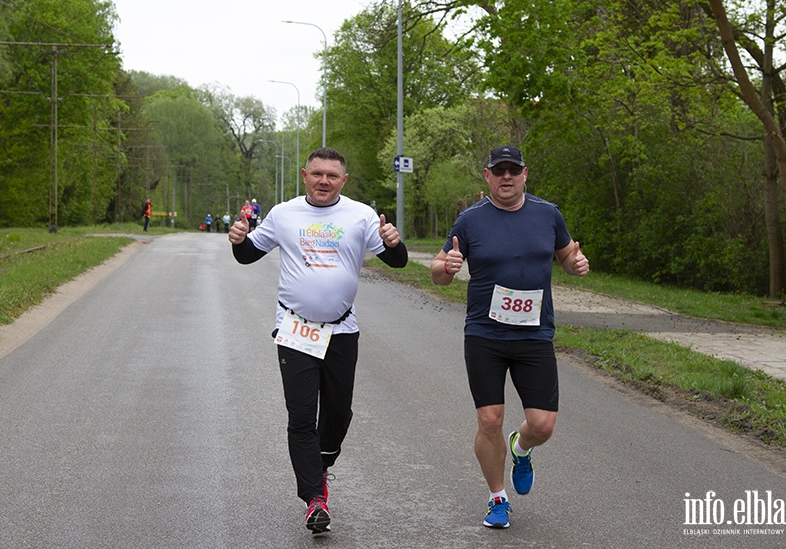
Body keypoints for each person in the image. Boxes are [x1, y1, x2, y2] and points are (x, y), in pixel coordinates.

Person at [228, 147, 408, 534]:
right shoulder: (283, 214)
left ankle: (321, 466)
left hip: (342, 329)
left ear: (343, 181)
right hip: (295, 329)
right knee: (301, 416)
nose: (323, 181)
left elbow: (398, 262)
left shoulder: (360, 215)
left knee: (339, 413)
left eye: (331, 175)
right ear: (304, 175)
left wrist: (393, 242)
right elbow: (247, 256)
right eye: (316, 174)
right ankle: (314, 498)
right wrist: (238, 239)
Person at [431, 145, 590, 530]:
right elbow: (439, 269)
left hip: (534, 334)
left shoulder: (547, 214)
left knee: (544, 424)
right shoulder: (470, 221)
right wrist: (446, 267)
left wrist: (574, 263)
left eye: (512, 170)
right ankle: (497, 498)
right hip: (485, 333)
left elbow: (567, 255)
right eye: (498, 171)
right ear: (487, 176)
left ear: (524, 174)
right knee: (490, 419)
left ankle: (521, 448)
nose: (506, 177)